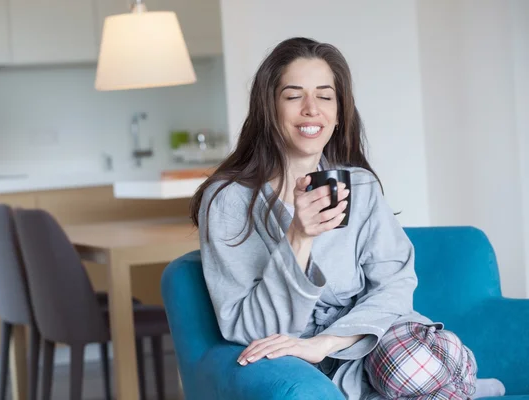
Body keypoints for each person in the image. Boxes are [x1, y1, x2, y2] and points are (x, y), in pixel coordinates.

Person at [190, 37, 505, 399]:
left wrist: (325, 343)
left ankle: (451, 378)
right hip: (312, 364)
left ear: (339, 113)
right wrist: (299, 237)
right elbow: (249, 329)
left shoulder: (360, 185)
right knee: (419, 376)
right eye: (294, 96)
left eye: (325, 96)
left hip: (379, 341)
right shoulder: (228, 200)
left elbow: (395, 284)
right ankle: (464, 388)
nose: (311, 109)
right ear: (269, 108)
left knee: (408, 365)